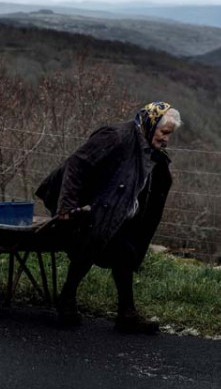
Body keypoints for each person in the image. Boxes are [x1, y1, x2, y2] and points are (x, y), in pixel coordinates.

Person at [35, 102, 181, 334]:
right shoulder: (116, 137)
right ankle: (72, 300)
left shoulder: (147, 148)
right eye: (164, 133)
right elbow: (76, 164)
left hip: (107, 207)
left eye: (169, 134)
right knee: (95, 245)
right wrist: (66, 207)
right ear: (151, 125)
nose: (166, 140)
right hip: (80, 203)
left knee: (122, 252)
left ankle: (124, 313)